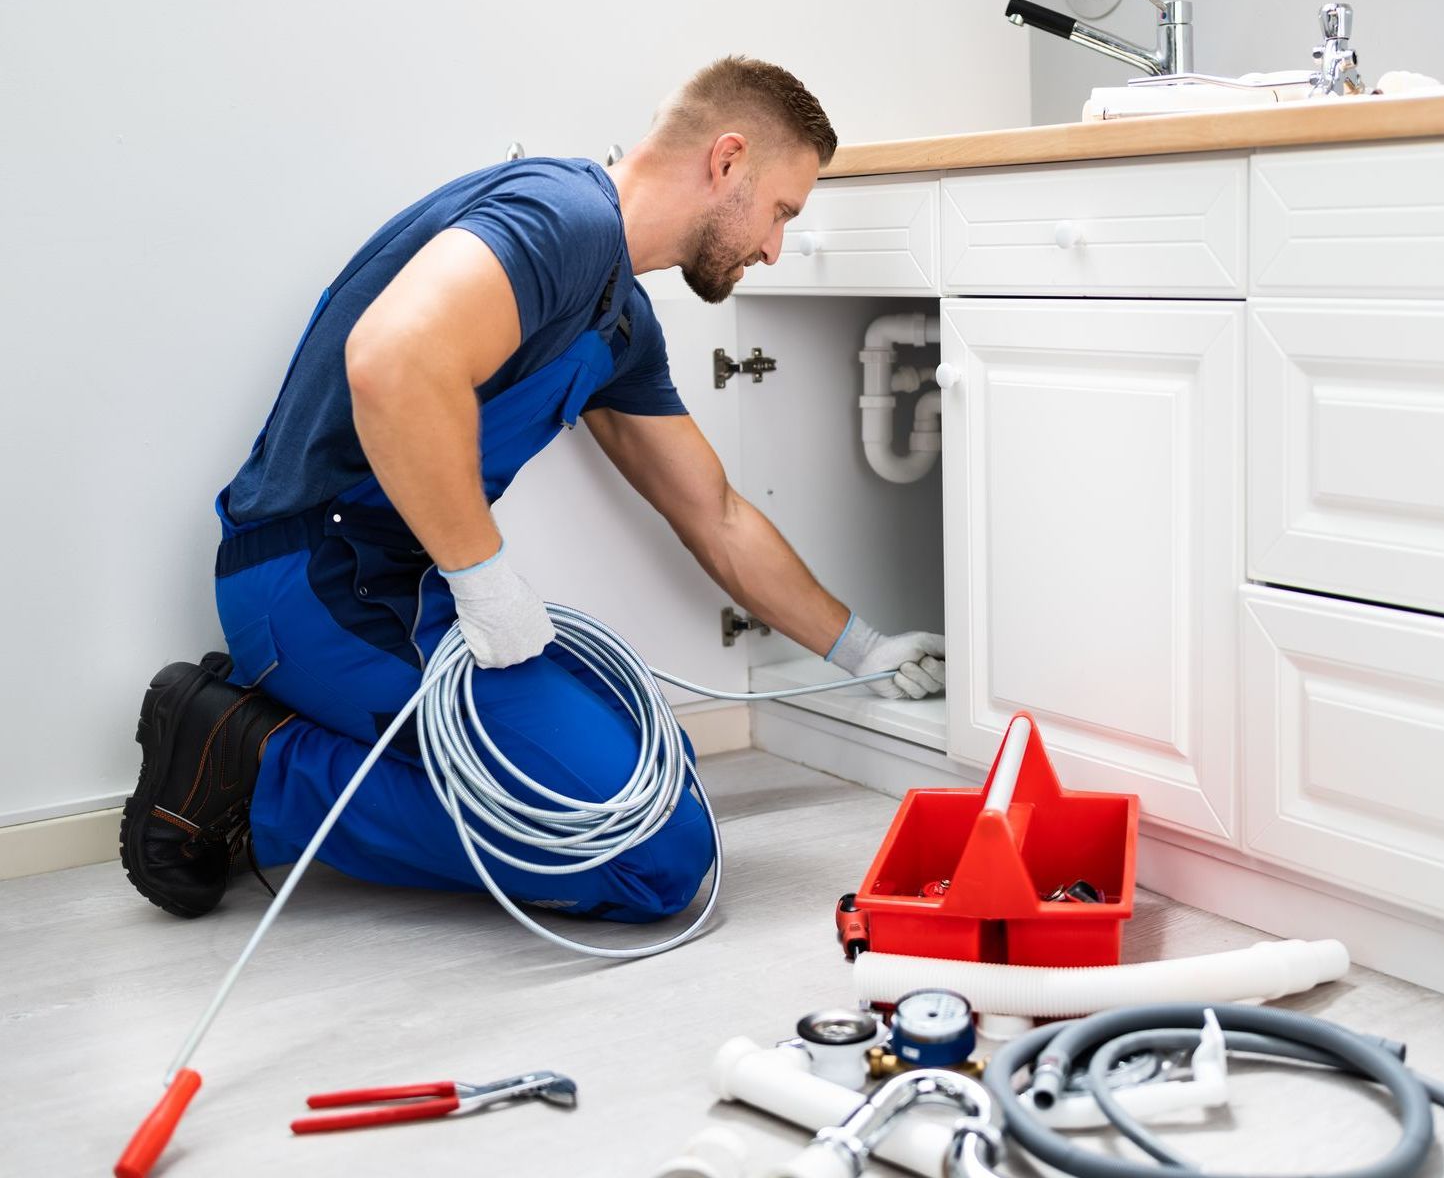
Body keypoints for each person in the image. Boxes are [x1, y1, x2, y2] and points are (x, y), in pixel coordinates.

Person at [120, 56, 947, 925]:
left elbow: (716, 513)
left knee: (654, 774)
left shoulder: (620, 318)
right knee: (653, 859)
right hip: (317, 582)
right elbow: (392, 363)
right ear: (728, 159)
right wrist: (484, 582)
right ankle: (255, 772)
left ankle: (303, 743)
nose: (774, 247)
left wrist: (862, 651)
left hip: (404, 590)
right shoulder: (559, 216)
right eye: (781, 211)